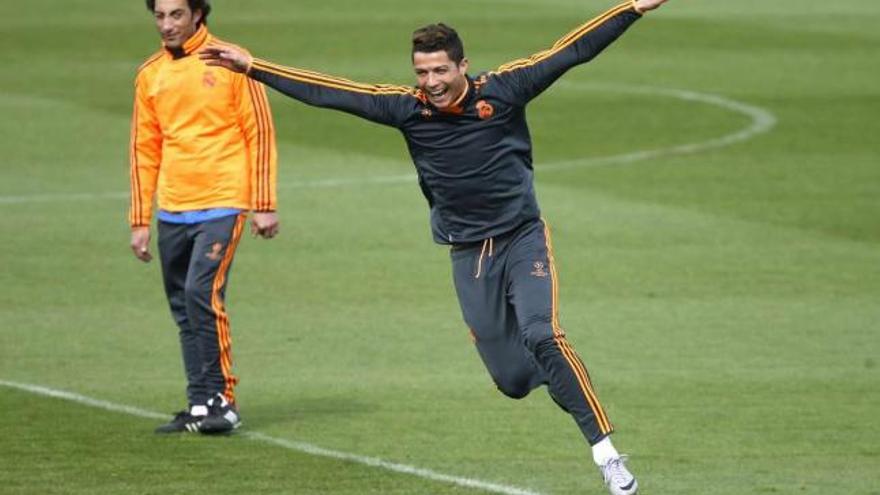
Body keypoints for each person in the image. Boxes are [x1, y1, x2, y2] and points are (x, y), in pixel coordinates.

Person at [202, 0, 666, 490]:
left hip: (522, 237)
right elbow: (330, 92)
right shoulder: (408, 109)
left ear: (463, 65)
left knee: (542, 334)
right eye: (422, 71)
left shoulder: (504, 90)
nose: (432, 81)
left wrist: (633, 7)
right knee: (511, 380)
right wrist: (254, 67)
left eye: (441, 69)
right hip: (468, 254)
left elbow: (570, 52)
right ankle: (559, 376)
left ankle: (607, 453)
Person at [129, 0, 279, 435]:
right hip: (173, 206)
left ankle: (223, 400)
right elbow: (144, 148)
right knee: (182, 306)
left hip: (224, 199)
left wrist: (264, 203)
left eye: (176, 14)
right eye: (159, 15)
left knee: (200, 293)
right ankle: (199, 404)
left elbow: (260, 132)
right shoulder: (150, 74)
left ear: (198, 14)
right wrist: (140, 218)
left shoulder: (232, 62)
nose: (167, 24)